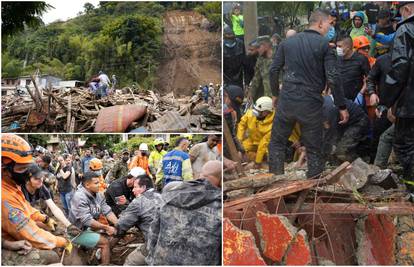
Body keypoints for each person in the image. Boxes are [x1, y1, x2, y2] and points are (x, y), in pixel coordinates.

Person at [269, 9, 348, 179]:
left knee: (277, 142)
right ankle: (314, 186)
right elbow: (333, 78)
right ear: (320, 23)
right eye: (329, 24)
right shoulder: (324, 46)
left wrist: (275, 94)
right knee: (314, 147)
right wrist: (341, 105)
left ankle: (273, 183)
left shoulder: (286, 43)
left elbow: (273, 70)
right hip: (310, 103)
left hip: (287, 100)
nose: (330, 28)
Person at [1, 134, 71, 253]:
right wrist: (61, 242)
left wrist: (45, 218)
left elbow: (26, 207)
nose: (27, 173)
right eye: (21, 168)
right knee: (50, 257)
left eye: (27, 167)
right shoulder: (4, 196)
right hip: (7, 239)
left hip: (14, 229)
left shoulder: (12, 184)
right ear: (3, 168)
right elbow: (31, 234)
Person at [146, 160, 222, 265]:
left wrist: (151, 260)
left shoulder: (170, 193)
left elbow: (153, 232)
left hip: (162, 261)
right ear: (221, 181)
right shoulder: (220, 206)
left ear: (200, 174)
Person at [383, 1, 414, 198]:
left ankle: (412, 189)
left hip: (411, 102)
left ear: (407, 9)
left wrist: (387, 101)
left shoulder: (407, 29)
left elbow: (400, 67)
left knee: (405, 144)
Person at [69, 171, 118, 265]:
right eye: (96, 183)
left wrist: (118, 224)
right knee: (105, 243)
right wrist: (107, 227)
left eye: (99, 182)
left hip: (88, 228)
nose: (99, 185)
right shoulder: (79, 197)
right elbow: (86, 220)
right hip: (76, 232)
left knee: (107, 234)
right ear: (87, 185)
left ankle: (92, 253)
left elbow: (107, 211)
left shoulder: (98, 195)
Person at [115, 174, 164, 265]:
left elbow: (121, 224)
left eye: (135, 187)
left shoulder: (138, 201)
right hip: (172, 242)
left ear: (143, 187)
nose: (133, 190)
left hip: (156, 245)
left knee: (131, 261)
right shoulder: (162, 196)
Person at [22, 164, 72, 228]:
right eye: (36, 178)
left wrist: (68, 225)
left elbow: (54, 208)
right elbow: (27, 217)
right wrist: (46, 223)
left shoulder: (41, 187)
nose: (41, 180)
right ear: (27, 180)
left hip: (33, 211)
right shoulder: (21, 192)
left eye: (41, 177)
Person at [367, 53, 393, 162]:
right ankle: (374, 167)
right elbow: (370, 79)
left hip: (406, 108)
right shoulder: (383, 60)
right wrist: (372, 93)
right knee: (378, 136)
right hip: (384, 106)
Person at [336, 36, 370, 101]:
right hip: (339, 99)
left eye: (340, 46)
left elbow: (369, 78)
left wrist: (361, 93)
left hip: (355, 99)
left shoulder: (361, 59)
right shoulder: (337, 58)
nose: (337, 48)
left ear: (348, 47)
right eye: (337, 46)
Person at [249, 36, 273, 102]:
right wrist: (251, 93)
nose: (258, 50)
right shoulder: (260, 60)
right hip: (267, 98)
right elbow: (256, 78)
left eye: (259, 47)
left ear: (266, 46)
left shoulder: (279, 57)